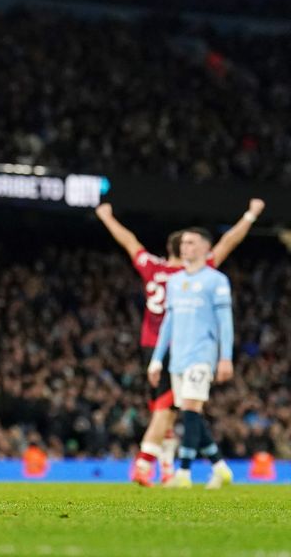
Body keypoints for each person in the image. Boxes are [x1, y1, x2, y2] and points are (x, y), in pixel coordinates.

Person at [95, 199, 263, 486]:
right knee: (175, 410)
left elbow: (129, 241)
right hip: (180, 346)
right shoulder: (194, 273)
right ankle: (151, 465)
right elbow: (228, 242)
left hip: (151, 346)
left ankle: (177, 468)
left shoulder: (152, 267)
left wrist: (106, 217)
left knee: (177, 410)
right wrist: (251, 215)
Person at [148, 228, 234, 489]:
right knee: (191, 414)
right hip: (178, 358)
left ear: (206, 248)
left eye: (191, 243)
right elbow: (168, 323)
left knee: (190, 411)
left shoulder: (216, 281)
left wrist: (225, 357)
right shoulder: (175, 282)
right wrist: (156, 359)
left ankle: (183, 474)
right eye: (183, 243)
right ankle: (220, 468)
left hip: (202, 355)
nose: (185, 247)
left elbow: (225, 322)